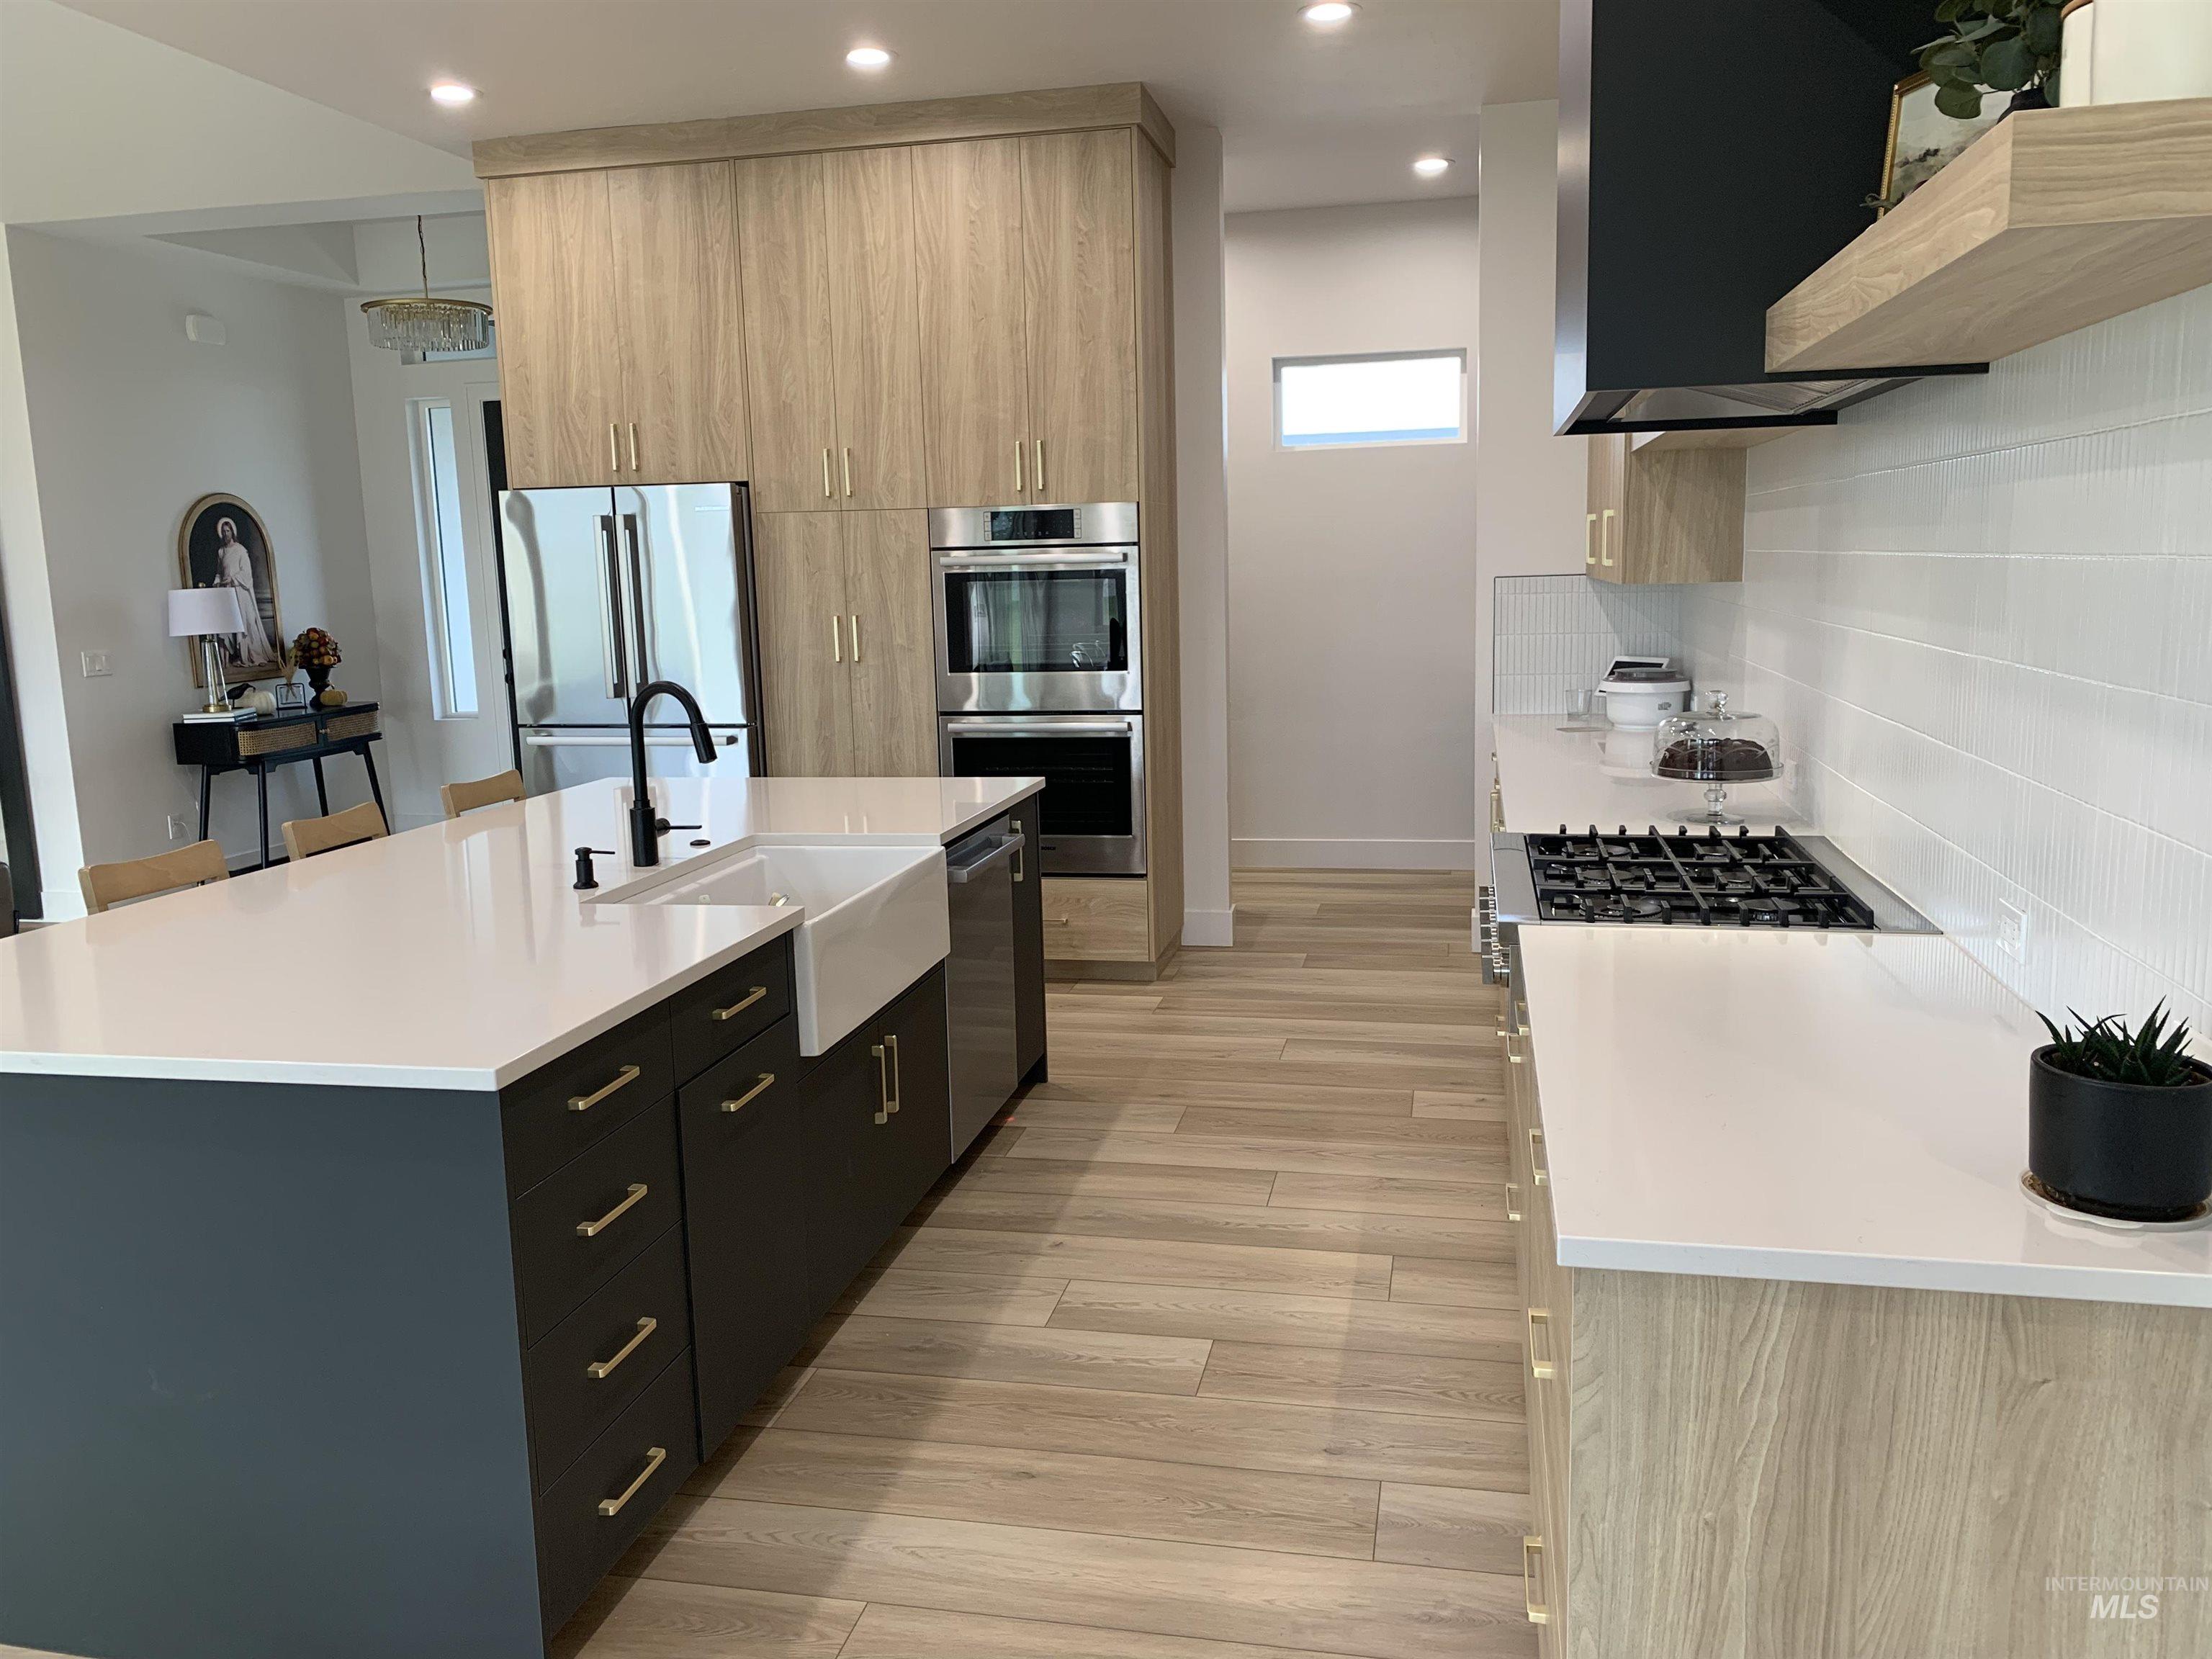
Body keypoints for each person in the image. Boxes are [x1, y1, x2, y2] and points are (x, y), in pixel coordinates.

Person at [210, 516, 277, 668]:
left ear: (233, 532)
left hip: (240, 591)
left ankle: (249, 653)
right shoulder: (221, 552)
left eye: (228, 531)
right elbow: (219, 572)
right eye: (223, 531)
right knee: (229, 625)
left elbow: (246, 573)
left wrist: (233, 579)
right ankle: (233, 655)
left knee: (245, 623)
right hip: (227, 592)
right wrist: (217, 582)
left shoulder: (240, 550)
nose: (226, 534)